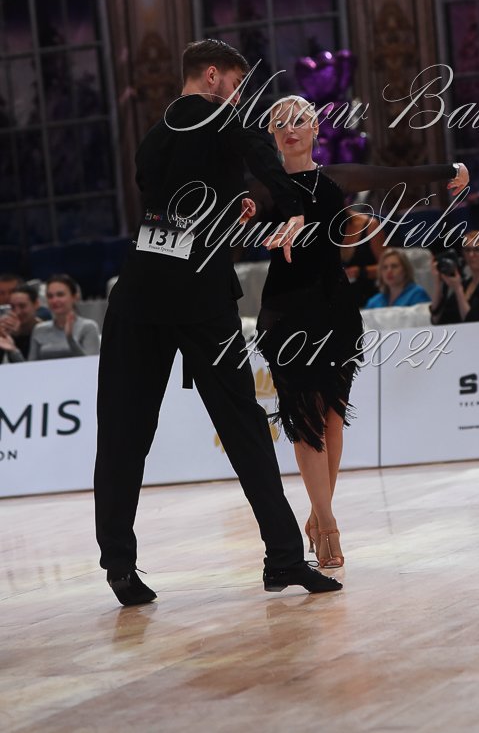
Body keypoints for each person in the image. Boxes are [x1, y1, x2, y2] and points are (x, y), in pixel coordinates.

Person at [95, 40, 341, 607]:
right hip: (201, 298)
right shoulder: (227, 119)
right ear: (212, 75)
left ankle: (119, 567)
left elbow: (168, 206)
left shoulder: (153, 136)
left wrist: (230, 205)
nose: (238, 94)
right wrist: (293, 209)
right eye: (235, 82)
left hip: (138, 294)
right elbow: (270, 169)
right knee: (243, 427)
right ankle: (284, 557)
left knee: (122, 433)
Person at [254, 96, 468, 570]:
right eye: (280, 123)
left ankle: (317, 516)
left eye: (299, 121)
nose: (290, 128)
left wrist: (449, 168)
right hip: (287, 312)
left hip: (336, 310)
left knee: (332, 417)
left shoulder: (336, 178)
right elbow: (222, 207)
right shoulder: (264, 187)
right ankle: (329, 526)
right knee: (306, 419)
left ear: (315, 129)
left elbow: (392, 176)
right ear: (271, 134)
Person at [430, 232, 479, 324]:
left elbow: (474, 323)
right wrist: (438, 283)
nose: (471, 255)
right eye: (467, 250)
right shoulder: (463, 285)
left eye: (477, 250)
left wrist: (458, 290)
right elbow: (436, 320)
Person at [340, 205, 387, 308]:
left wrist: (361, 272)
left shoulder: (371, 225)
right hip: (341, 299)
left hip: (370, 298)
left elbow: (387, 267)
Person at [364, 248, 431, 308]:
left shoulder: (417, 294)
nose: (389, 271)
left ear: (405, 270)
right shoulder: (374, 302)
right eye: (385, 267)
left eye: (394, 266)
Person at [0, 283, 43, 361]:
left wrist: (18, 338)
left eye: (22, 306)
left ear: (36, 304)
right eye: (13, 307)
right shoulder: (7, 330)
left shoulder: (45, 331)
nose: (17, 312)